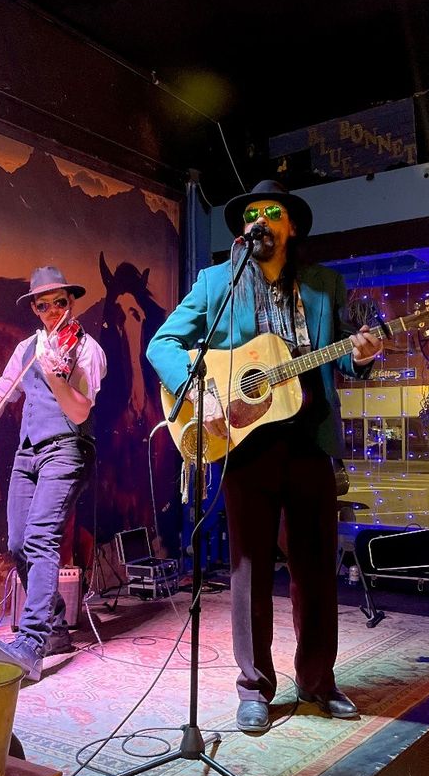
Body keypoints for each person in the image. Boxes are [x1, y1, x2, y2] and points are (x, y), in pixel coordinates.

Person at [147, 180, 382, 733]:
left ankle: (318, 681)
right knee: (248, 570)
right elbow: (162, 344)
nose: (259, 219)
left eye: (271, 212)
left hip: (310, 443)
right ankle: (254, 687)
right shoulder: (216, 283)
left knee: (316, 569)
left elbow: (345, 359)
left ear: (290, 226)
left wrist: (362, 355)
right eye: (250, 213)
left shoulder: (323, 285)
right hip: (245, 445)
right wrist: (200, 391)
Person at [0, 266, 107, 681]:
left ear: (70, 303)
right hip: (29, 453)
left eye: (59, 303)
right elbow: (5, 387)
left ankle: (32, 643)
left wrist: (57, 377)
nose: (53, 311)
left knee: (41, 538)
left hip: (67, 448)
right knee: (18, 542)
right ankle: (56, 625)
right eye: (44, 305)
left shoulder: (87, 349)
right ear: (35, 309)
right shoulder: (27, 348)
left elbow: (79, 410)